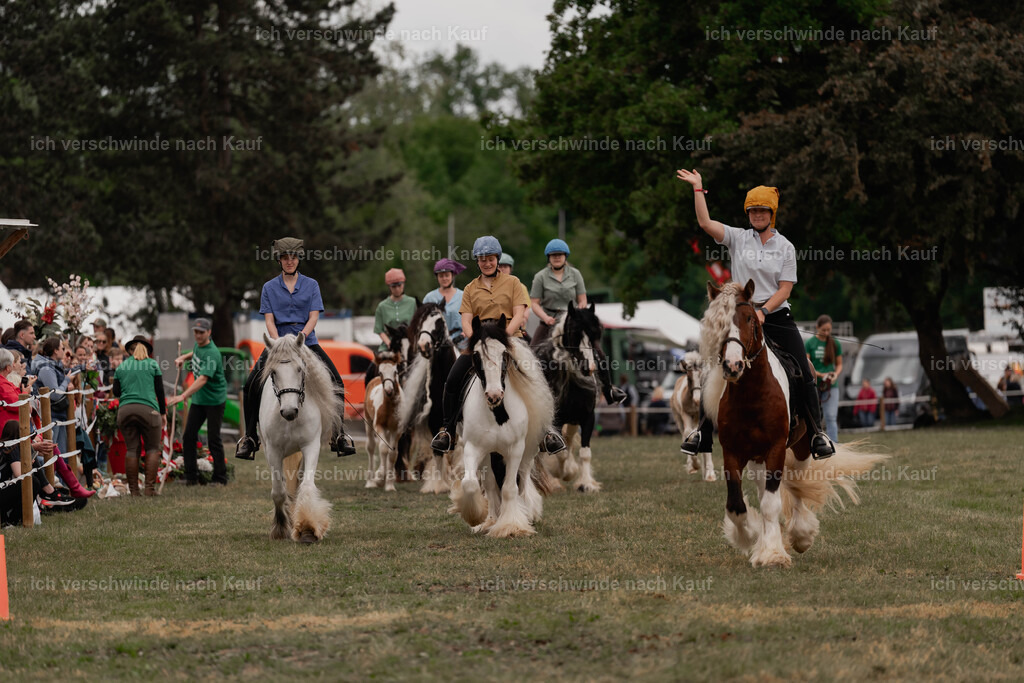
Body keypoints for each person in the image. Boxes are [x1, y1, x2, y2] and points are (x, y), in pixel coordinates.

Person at [676, 170, 836, 459]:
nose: (757, 215)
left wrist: (764, 310)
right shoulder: (738, 238)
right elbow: (704, 222)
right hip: (740, 315)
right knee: (715, 369)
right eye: (752, 211)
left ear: (771, 213)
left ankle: (817, 434)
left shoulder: (785, 246)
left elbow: (785, 289)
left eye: (762, 210)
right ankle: (702, 433)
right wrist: (698, 189)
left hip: (775, 315)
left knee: (804, 371)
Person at [430, 235, 566, 455]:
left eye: (491, 258)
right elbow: (466, 319)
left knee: (537, 376)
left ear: (497, 258)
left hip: (510, 338)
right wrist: (477, 339)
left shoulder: (513, 283)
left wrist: (503, 336)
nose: (487, 262)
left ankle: (546, 432)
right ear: (477, 261)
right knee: (452, 381)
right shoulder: (471, 288)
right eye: (482, 258)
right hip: (480, 342)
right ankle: (448, 431)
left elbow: (520, 313)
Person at [236, 237, 356, 459]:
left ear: (299, 259)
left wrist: (301, 337)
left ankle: (338, 435)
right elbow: (270, 321)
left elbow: (313, 317)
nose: (289, 261)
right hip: (278, 344)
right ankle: (250, 437)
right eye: (285, 257)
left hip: (306, 342)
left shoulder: (311, 285)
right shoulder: (269, 288)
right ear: (279, 260)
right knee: (250, 384)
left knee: (336, 380)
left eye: (293, 257)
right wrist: (279, 343)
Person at [530, 238, 626, 405]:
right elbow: (534, 303)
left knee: (599, 352)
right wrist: (545, 317)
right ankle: (530, 392)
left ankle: (608, 389)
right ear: (549, 258)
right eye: (553, 255)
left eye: (559, 255)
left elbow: (582, 300)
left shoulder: (575, 274)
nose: (557, 258)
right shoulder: (540, 277)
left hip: (572, 321)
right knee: (531, 353)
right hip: (550, 321)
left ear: (565, 256)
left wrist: (581, 312)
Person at [167, 318, 228, 485]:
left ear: (209, 333)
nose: (198, 335)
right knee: (188, 436)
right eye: (196, 332)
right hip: (200, 400)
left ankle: (220, 478)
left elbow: (202, 379)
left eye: (201, 332)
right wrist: (183, 358)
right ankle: (191, 476)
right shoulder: (199, 345)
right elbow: (195, 353)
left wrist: (183, 395)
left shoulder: (212, 353)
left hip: (215, 400)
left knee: (213, 438)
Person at [113, 335, 166, 496]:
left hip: (125, 411)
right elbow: (160, 391)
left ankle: (134, 491)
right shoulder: (152, 364)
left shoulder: (121, 367)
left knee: (131, 449)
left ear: (130, 350)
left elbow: (116, 392)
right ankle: (149, 489)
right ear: (148, 351)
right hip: (149, 410)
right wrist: (163, 413)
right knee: (152, 449)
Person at [805, 314, 843, 443]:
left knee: (831, 416)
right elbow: (807, 364)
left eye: (828, 330)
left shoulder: (835, 343)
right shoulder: (810, 343)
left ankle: (834, 445)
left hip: (831, 385)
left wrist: (835, 375)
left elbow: (839, 364)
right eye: (823, 330)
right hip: (814, 385)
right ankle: (814, 442)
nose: (826, 333)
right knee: (813, 416)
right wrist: (820, 375)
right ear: (817, 327)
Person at [33, 337, 72, 455]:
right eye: (62, 348)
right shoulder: (46, 368)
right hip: (51, 414)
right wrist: (66, 381)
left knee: (61, 454)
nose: (64, 351)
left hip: (58, 413)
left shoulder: (53, 365)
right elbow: (55, 394)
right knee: (51, 454)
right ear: (55, 351)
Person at [423, 258, 468, 350]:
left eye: (447, 275)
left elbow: (471, 321)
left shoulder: (464, 296)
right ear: (437, 277)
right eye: (441, 276)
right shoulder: (429, 298)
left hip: (461, 343)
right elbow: (423, 322)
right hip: (437, 345)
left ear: (453, 275)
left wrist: (462, 336)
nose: (444, 278)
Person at [374, 268, 417, 351]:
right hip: (389, 346)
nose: (397, 289)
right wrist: (389, 343)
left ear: (403, 284)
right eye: (394, 286)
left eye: (399, 285)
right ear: (389, 287)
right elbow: (379, 330)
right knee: (378, 363)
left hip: (410, 345)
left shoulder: (413, 303)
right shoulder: (382, 306)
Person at [497, 253, 532, 339]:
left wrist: (524, 318)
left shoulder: (520, 286)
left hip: (516, 329)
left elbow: (526, 307)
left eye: (505, 266)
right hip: (496, 328)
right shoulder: (489, 286)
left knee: (532, 347)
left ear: (510, 269)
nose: (502, 269)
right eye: (500, 266)